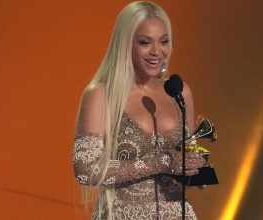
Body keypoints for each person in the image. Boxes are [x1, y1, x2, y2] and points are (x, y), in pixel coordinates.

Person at [72, 1, 205, 219]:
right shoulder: (102, 95)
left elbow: (185, 163)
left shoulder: (179, 92)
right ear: (125, 44)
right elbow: (86, 169)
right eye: (145, 42)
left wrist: (195, 169)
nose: (157, 51)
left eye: (164, 41)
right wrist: (161, 162)